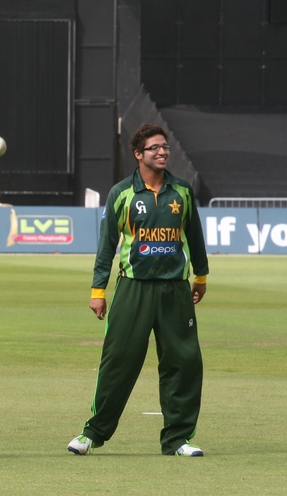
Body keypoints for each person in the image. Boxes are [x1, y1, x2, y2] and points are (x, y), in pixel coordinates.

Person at [68, 123, 209, 457]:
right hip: (133, 289)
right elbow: (107, 246)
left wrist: (200, 277)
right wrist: (97, 290)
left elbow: (195, 237)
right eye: (155, 148)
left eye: (165, 147)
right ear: (138, 154)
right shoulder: (122, 193)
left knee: (183, 363)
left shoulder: (182, 191)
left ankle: (178, 439)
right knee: (118, 361)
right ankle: (93, 432)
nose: (162, 152)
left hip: (175, 290)